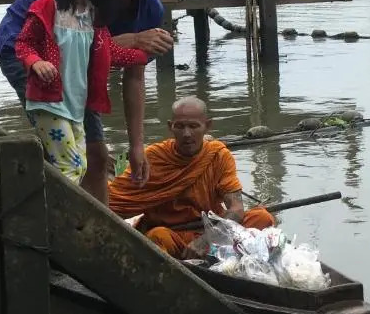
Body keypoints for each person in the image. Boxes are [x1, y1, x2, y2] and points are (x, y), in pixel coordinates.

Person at [0, 0, 188, 203]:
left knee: (96, 155)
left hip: (74, 64)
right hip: (25, 50)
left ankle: (99, 224)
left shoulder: (150, 10)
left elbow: (134, 78)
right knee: (64, 153)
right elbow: (62, 40)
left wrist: (136, 146)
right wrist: (133, 40)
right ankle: (53, 217)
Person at [14, 0, 150, 183]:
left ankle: (52, 204)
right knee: (70, 167)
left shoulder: (93, 15)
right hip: (48, 102)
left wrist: (142, 55)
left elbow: (109, 50)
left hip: (75, 104)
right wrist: (36, 62)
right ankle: (58, 209)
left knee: (81, 164)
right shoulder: (47, 6)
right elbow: (23, 43)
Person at [108, 96, 275, 258]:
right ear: (170, 127)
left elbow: (236, 209)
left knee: (262, 218)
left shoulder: (218, 155)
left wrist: (206, 240)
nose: (187, 134)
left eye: (194, 126)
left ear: (207, 126)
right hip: (173, 234)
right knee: (158, 236)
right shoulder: (153, 157)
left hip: (213, 231)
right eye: (180, 126)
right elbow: (113, 201)